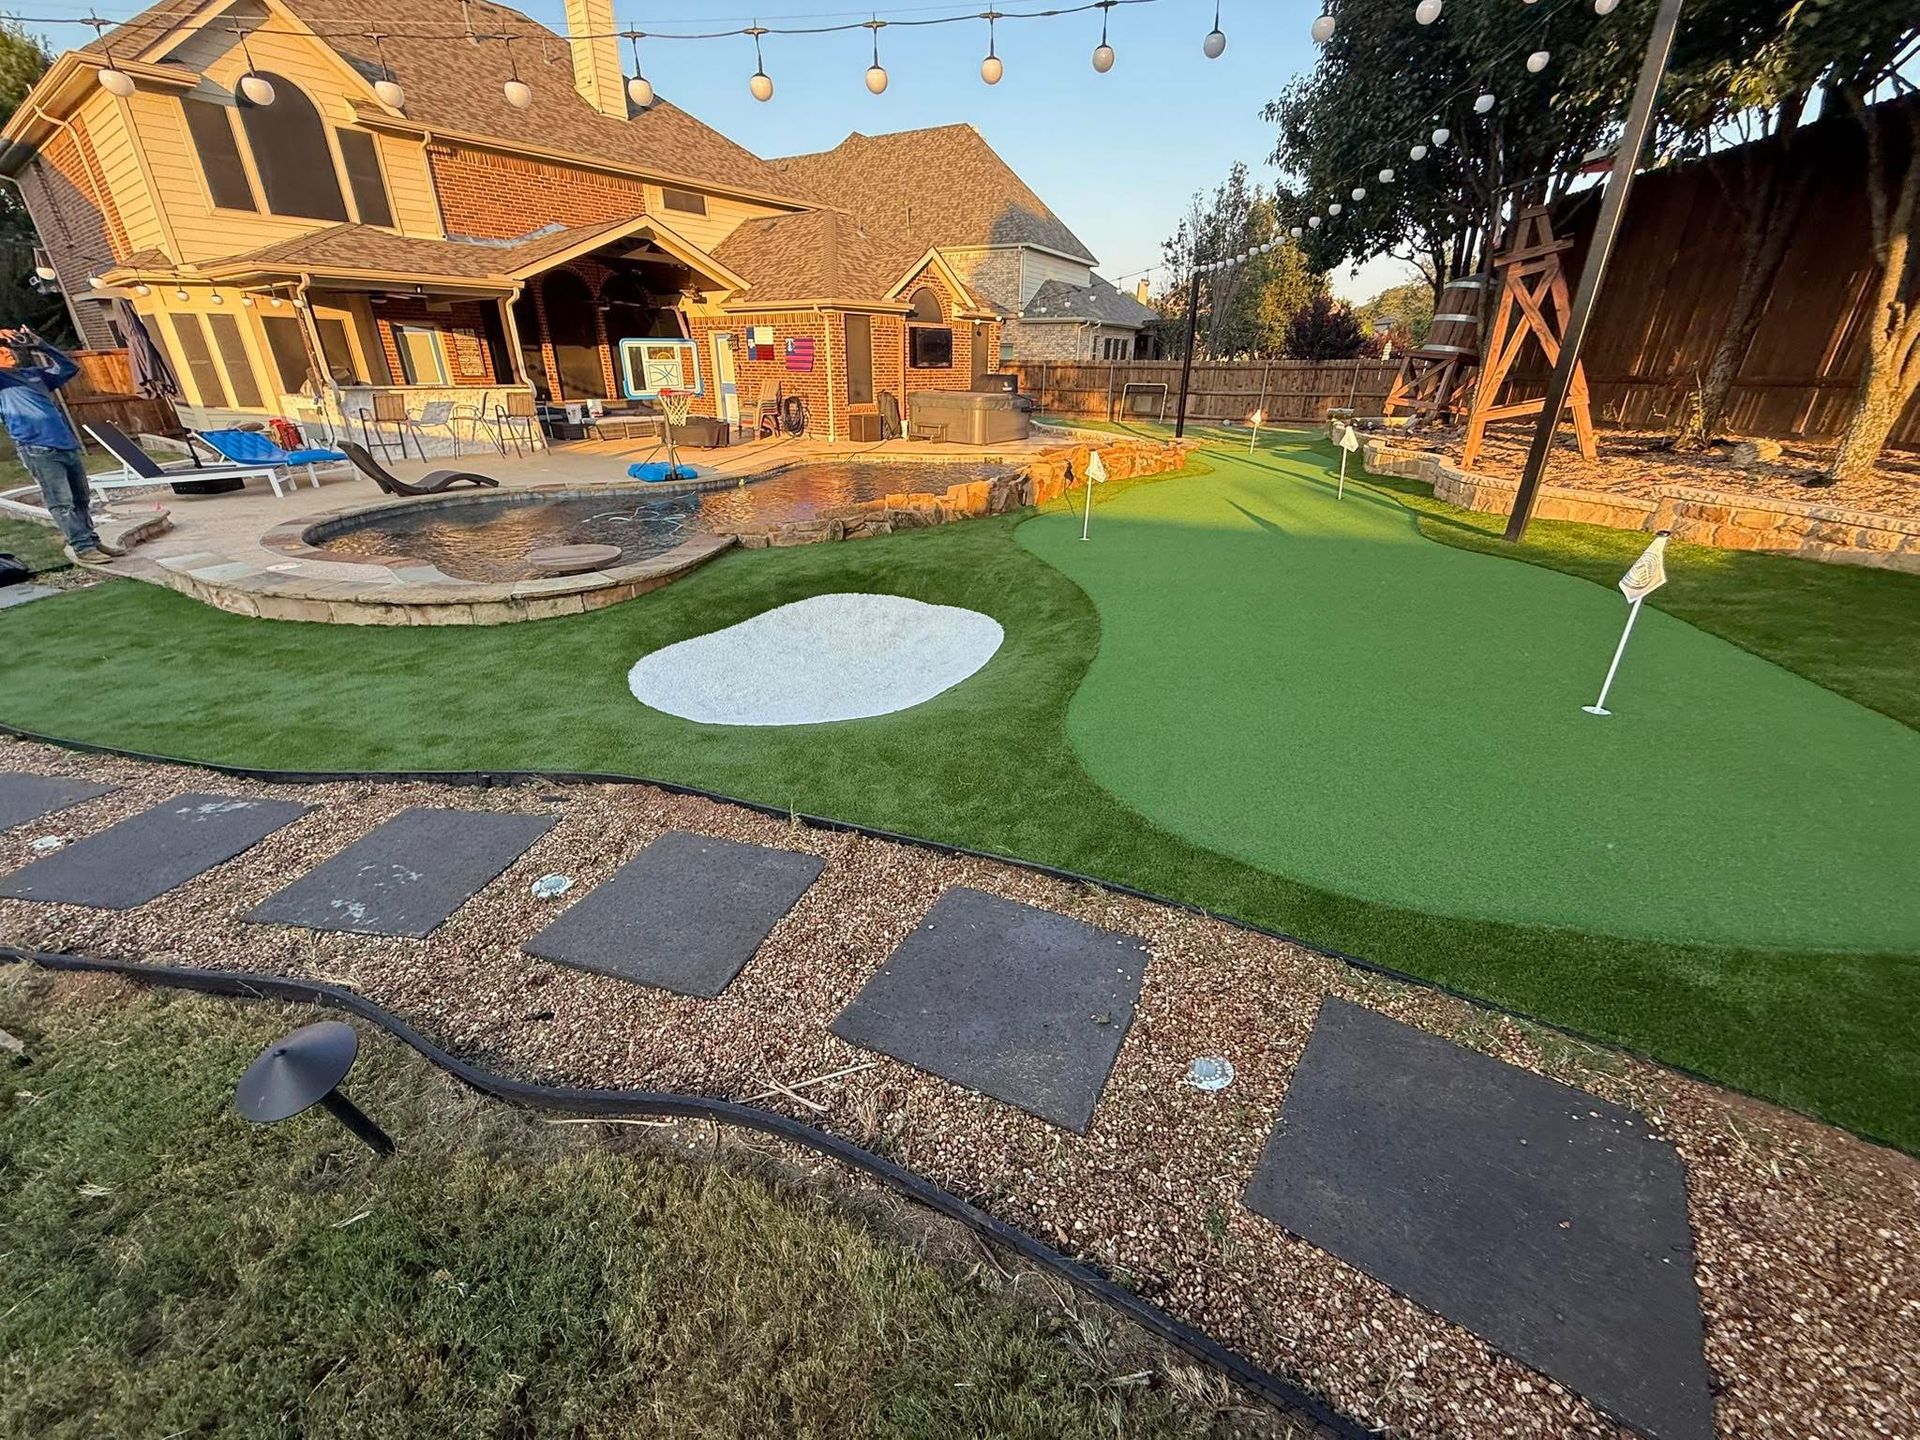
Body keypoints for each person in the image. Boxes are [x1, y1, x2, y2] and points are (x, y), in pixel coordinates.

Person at [0, 326, 120, 565]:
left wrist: (41, 345)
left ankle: (91, 540)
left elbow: (69, 368)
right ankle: (83, 547)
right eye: (2, 350)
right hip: (37, 448)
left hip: (66, 444)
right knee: (61, 502)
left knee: (81, 499)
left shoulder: (34, 375)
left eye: (9, 348)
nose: (9, 352)